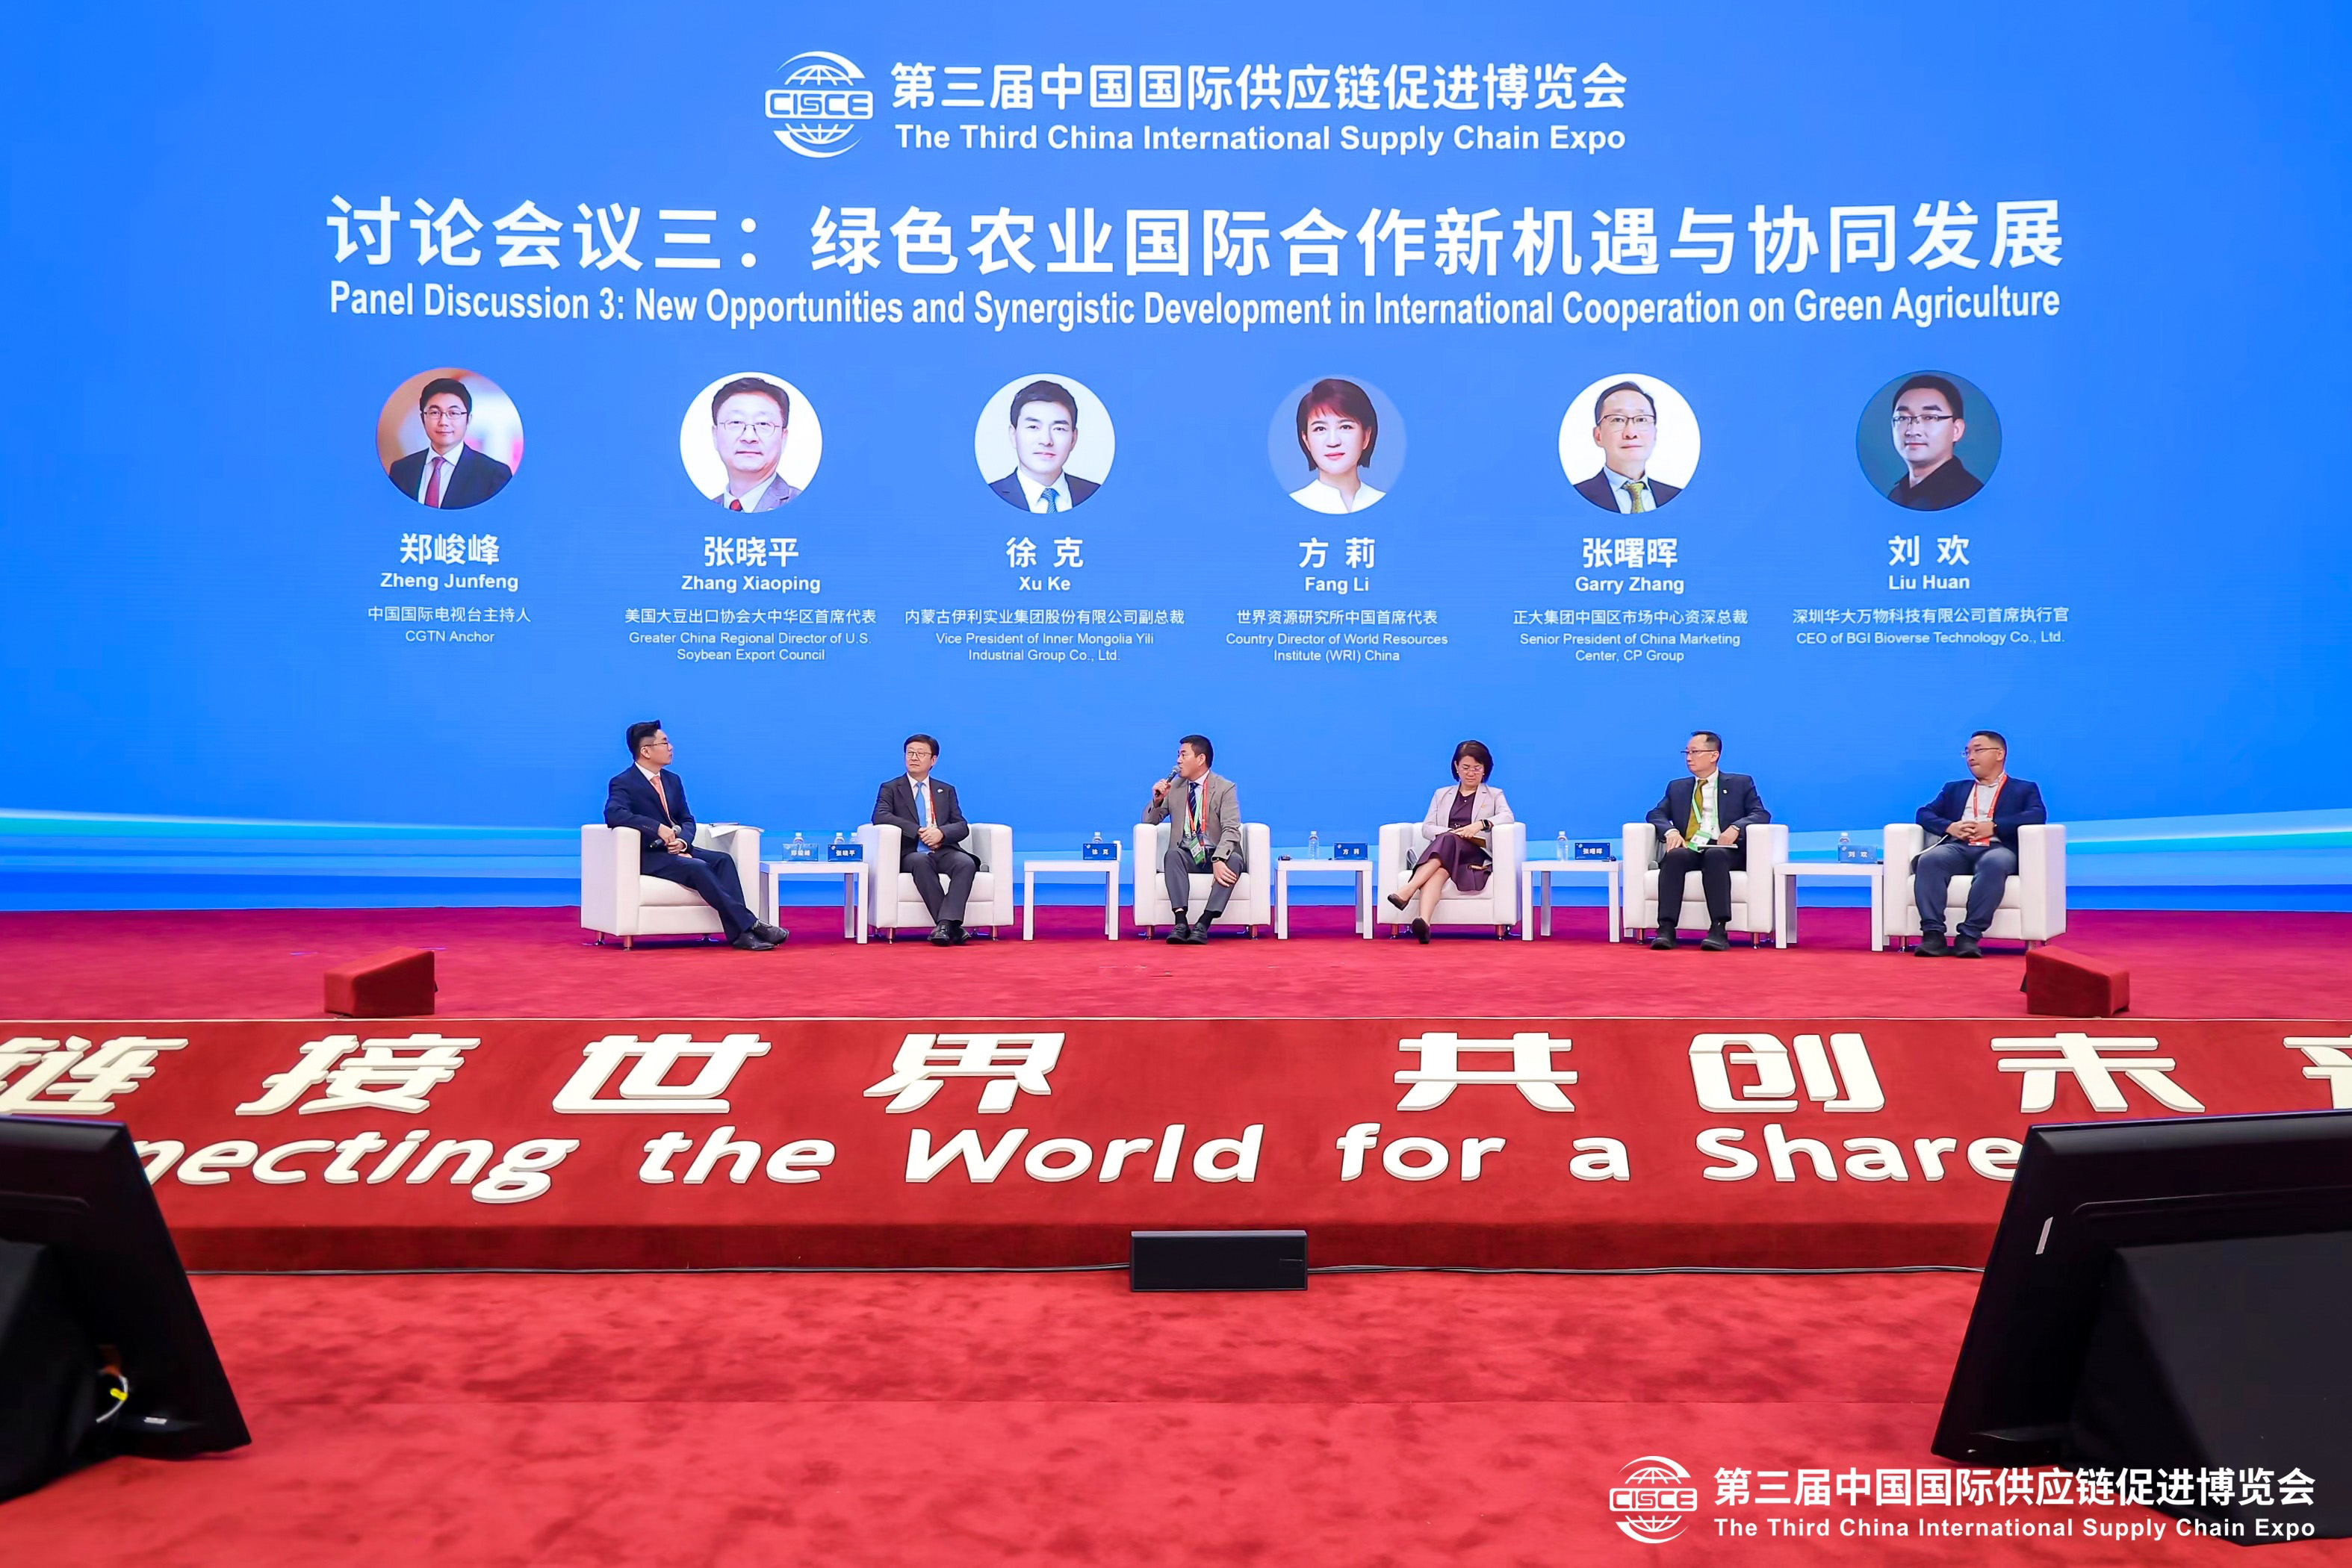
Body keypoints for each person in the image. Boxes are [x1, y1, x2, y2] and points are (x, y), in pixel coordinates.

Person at [603, 721, 787, 951]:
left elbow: (687, 820)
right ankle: (751, 925)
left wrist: (683, 842)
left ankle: (740, 935)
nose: (671, 747)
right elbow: (614, 814)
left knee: (723, 860)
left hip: (677, 848)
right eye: (664, 743)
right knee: (698, 867)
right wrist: (656, 828)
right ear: (646, 751)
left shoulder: (672, 780)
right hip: (650, 855)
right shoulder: (624, 782)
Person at [1910, 730, 2047, 957]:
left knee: (1995, 863)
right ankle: (1933, 935)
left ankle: (1969, 936)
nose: (1971, 757)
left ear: (1999, 754)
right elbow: (1924, 813)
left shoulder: (2024, 789)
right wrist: (1950, 827)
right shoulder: (1954, 789)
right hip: (1959, 847)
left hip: (1997, 848)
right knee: (1930, 860)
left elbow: (2036, 815)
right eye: (1967, 752)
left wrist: (1994, 827)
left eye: (1978, 750)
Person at [1645, 731, 1769, 951]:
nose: (1688, 758)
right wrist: (1671, 831)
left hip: (1725, 849)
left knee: (1715, 855)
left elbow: (1761, 814)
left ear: (1714, 755)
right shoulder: (1677, 787)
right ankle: (1666, 929)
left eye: (1695, 752)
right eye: (1686, 752)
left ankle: (1718, 929)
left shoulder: (1740, 783)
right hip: (1692, 846)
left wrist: (1736, 828)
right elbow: (1656, 814)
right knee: (1674, 856)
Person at [1385, 741, 1511, 942]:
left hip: (1474, 854)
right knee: (1440, 868)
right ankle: (1424, 923)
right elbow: (1427, 827)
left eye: (1477, 768)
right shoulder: (1442, 794)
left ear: (1485, 769)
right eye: (1466, 768)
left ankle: (1407, 890)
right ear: (1456, 767)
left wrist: (1479, 825)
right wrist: (1453, 833)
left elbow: (1507, 817)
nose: (1471, 773)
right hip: (1446, 853)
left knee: (1447, 842)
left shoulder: (1495, 795)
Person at [871, 733, 977, 945]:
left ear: (933, 760)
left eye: (920, 753)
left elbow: (961, 825)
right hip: (911, 852)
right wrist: (919, 831)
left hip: (942, 849)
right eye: (910, 753)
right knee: (921, 861)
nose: (914, 757)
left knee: (966, 863)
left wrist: (941, 834)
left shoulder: (945, 790)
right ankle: (951, 927)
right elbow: (880, 816)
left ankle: (945, 926)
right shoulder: (891, 788)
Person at [1142, 735, 1243, 945]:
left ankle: (1203, 924)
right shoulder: (1175, 787)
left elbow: (1232, 829)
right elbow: (1149, 822)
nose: (1178, 760)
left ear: (1200, 759)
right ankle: (1180, 922)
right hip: (1188, 855)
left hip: (1215, 853)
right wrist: (1157, 800)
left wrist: (1219, 859)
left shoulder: (1224, 788)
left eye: (1183, 755)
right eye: (1178, 755)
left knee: (1234, 860)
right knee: (1172, 855)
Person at [387, 377, 512, 509]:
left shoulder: (494, 475)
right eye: (435, 413)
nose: (443, 422)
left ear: (468, 420)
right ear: (423, 418)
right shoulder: (401, 470)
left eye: (453, 413)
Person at [987, 379, 1099, 512]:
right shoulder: (987, 498)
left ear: (1073, 439)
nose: (1046, 441)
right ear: (1013, 435)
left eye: (1059, 429)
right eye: (1033, 427)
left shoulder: (1097, 495)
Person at [1572, 380, 1681, 514]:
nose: (1631, 433)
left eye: (1641, 419)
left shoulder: (1678, 498)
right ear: (1598, 436)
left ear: (1654, 434)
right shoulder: (1574, 498)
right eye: (1617, 419)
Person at [1288, 377, 1386, 514]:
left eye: (1345, 427)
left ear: (1366, 436)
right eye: (1320, 429)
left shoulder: (1388, 504)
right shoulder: (1289, 507)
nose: (1333, 442)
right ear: (1306, 441)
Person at [1885, 374, 1983, 511]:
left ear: (1956, 430)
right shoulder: (1896, 495)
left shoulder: (1971, 498)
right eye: (1902, 418)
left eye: (1929, 417)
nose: (1912, 430)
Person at [704, 376, 800, 511]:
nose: (749, 437)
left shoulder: (806, 507)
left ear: (783, 438)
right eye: (736, 422)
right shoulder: (701, 513)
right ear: (715, 435)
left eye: (763, 424)